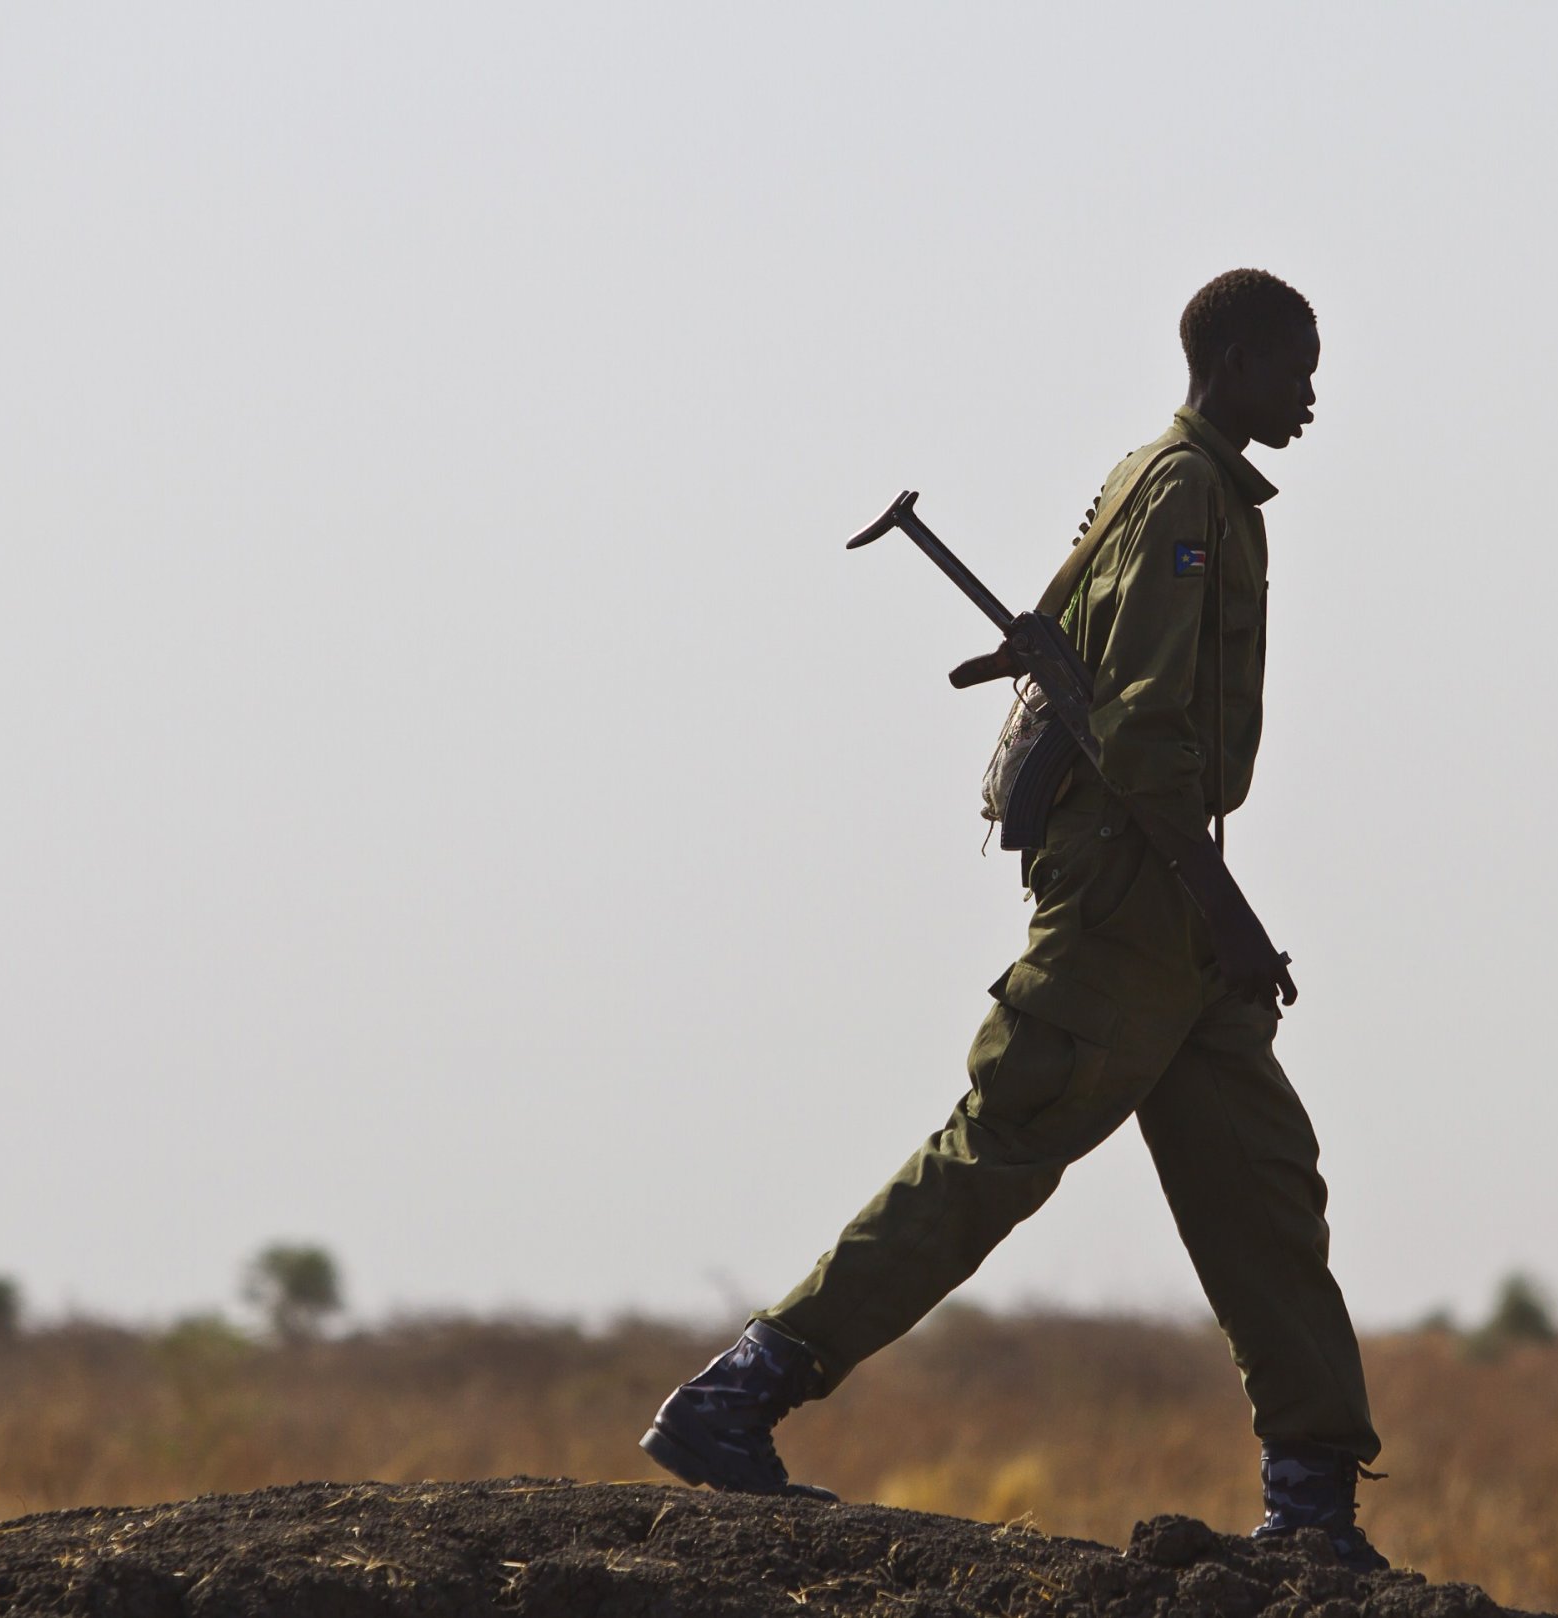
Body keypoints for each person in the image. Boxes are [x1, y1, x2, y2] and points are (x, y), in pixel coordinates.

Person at [640, 269, 1386, 1570]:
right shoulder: (1185, 490)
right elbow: (1150, 736)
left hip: (1172, 909)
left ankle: (1314, 1508)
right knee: (1001, 1147)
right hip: (1136, 902)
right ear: (1239, 355)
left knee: (1264, 1191)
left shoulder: (1164, 482)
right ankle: (736, 1396)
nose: (1312, 392)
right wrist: (1227, 910)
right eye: (1297, 365)